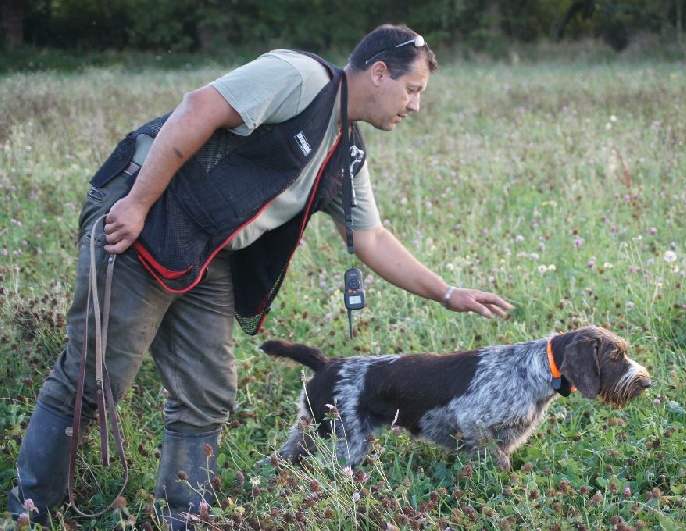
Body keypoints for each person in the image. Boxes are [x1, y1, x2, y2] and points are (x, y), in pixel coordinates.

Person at [6, 23, 513, 528]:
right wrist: (136, 204)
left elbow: (370, 238)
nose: (415, 106)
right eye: (413, 90)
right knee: (94, 379)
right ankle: (29, 511)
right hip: (147, 215)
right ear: (379, 73)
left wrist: (448, 293)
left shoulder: (346, 150)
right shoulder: (299, 77)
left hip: (206, 251)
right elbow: (198, 108)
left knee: (209, 391)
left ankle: (186, 516)